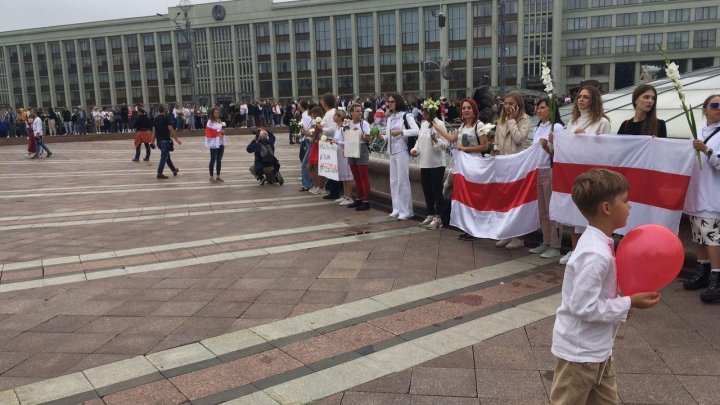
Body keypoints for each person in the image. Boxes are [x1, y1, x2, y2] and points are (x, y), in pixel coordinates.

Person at [550, 168, 660, 404]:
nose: (630, 206)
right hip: (579, 355)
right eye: (625, 200)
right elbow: (583, 307)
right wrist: (630, 302)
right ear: (607, 208)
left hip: (599, 350)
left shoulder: (601, 244)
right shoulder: (595, 254)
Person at [560, 85, 612, 265]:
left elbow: (606, 150)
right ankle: (575, 252)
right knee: (575, 216)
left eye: (586, 97)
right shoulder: (573, 121)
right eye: (579, 97)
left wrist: (587, 138)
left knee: (591, 216)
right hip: (574, 174)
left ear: (594, 100)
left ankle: (591, 254)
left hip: (593, 176)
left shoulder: (602, 122)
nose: (581, 99)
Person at [433, 98, 489, 236]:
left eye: (469, 108)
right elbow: (452, 138)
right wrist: (437, 128)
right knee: (464, 196)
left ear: (474, 110)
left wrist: (465, 148)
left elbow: (485, 146)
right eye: (464, 108)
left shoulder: (479, 125)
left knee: (474, 197)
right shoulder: (463, 126)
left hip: (475, 165)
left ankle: (476, 228)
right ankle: (468, 227)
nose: (466, 110)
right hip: (463, 166)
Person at [684, 94, 720, 303]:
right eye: (714, 105)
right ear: (705, 109)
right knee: (698, 236)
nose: (718, 109)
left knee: (712, 237)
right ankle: (703, 270)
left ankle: (716, 275)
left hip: (712, 194)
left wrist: (706, 150)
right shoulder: (696, 131)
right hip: (695, 193)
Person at [494, 91, 531, 249]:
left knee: (516, 202)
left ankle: (519, 237)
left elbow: (518, 138)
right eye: (506, 103)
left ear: (518, 105)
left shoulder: (525, 119)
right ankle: (507, 233)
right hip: (503, 164)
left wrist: (512, 121)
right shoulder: (501, 120)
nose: (507, 106)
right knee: (504, 200)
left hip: (517, 164)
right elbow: (496, 140)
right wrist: (494, 149)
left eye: (511, 103)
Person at [529, 98, 564, 259]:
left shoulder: (556, 127)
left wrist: (548, 146)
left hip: (550, 171)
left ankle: (555, 245)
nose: (538, 110)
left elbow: (561, 153)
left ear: (551, 109)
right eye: (538, 108)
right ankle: (546, 241)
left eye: (542, 107)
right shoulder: (538, 127)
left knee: (552, 210)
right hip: (538, 170)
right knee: (542, 210)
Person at [376, 93, 419, 220]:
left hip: (402, 151)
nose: (389, 104)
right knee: (394, 181)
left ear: (398, 102)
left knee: (403, 180)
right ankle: (396, 208)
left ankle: (406, 210)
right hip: (392, 152)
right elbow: (388, 137)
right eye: (388, 102)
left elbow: (417, 130)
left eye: (392, 102)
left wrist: (402, 132)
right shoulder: (389, 118)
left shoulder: (406, 116)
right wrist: (380, 137)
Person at [412, 109, 450, 230]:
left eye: (427, 110)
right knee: (427, 189)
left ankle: (439, 217)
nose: (424, 112)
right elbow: (419, 140)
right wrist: (415, 150)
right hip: (424, 162)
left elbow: (446, 144)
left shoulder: (439, 124)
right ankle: (430, 214)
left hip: (437, 163)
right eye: (424, 110)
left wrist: (435, 140)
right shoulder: (423, 124)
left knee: (437, 190)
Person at [347, 104, 372, 211]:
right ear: (351, 112)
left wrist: (360, 135)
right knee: (356, 177)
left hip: (361, 148)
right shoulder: (348, 124)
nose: (359, 113)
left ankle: (366, 201)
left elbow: (368, 138)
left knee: (363, 177)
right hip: (351, 148)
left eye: (360, 111)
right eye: (357, 111)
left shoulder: (364, 123)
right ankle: (358, 199)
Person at [151, 105, 182, 179]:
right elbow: (171, 129)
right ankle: (159, 173)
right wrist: (177, 140)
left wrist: (152, 142)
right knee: (164, 157)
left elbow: (154, 132)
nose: (167, 110)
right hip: (165, 141)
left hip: (159, 142)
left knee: (167, 157)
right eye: (166, 109)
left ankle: (174, 170)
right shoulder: (166, 118)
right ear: (164, 110)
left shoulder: (155, 119)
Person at [320, 93, 341, 200]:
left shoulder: (330, 113)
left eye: (322, 100)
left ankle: (334, 191)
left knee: (332, 169)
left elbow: (332, 129)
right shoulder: (328, 113)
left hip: (331, 143)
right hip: (329, 143)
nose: (321, 102)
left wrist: (321, 129)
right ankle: (333, 190)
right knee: (330, 168)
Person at [331, 109, 355, 205]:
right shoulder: (337, 128)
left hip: (344, 154)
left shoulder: (344, 128)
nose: (333, 117)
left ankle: (349, 197)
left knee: (348, 175)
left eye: (335, 115)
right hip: (339, 155)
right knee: (343, 175)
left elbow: (349, 142)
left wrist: (337, 142)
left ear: (340, 117)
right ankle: (345, 195)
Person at [205, 107, 227, 183]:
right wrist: (218, 133)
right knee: (213, 159)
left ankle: (218, 176)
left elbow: (220, 129)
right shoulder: (210, 122)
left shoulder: (219, 121)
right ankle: (211, 176)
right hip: (214, 143)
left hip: (220, 142)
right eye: (215, 113)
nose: (217, 114)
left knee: (219, 160)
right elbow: (208, 132)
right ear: (212, 114)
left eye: (218, 113)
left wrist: (223, 132)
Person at [307, 106, 326, 194]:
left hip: (317, 145)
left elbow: (315, 135)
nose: (312, 116)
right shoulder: (319, 122)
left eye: (313, 114)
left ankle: (320, 187)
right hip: (316, 144)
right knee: (312, 166)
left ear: (317, 114)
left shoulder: (319, 123)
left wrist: (312, 137)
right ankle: (317, 186)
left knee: (316, 167)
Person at [298, 101, 314, 192]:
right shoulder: (306, 115)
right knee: (308, 162)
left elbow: (309, 130)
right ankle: (310, 182)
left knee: (305, 163)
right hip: (308, 139)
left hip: (309, 139)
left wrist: (303, 132)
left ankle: (307, 184)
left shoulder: (306, 115)